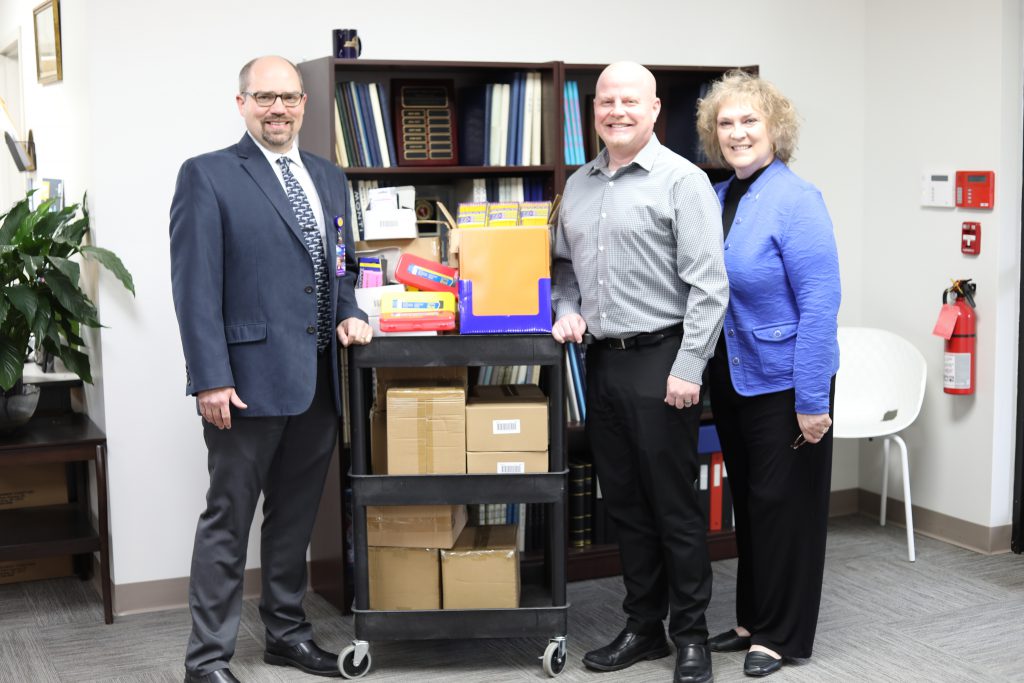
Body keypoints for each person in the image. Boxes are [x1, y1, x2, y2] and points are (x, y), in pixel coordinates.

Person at [169, 55, 372, 683]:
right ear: (241, 104)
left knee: (294, 517)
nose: (277, 108)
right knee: (229, 518)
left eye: (288, 97)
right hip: (246, 383)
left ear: (305, 103)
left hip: (318, 380)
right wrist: (210, 377)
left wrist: (350, 311)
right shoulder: (207, 176)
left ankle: (286, 634)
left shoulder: (329, 176)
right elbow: (194, 285)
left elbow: (341, 264)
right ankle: (207, 660)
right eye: (264, 97)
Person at [552, 61, 728, 683]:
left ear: (654, 109)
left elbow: (710, 285)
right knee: (624, 503)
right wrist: (567, 310)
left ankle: (691, 636)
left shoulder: (684, 181)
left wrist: (689, 368)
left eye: (630, 101)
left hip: (664, 360)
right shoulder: (577, 184)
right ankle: (643, 626)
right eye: (606, 102)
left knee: (674, 507)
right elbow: (563, 271)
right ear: (592, 110)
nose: (617, 111)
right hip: (601, 362)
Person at [695, 71, 840, 678]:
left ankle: (782, 636)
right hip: (736, 378)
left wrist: (812, 400)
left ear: (775, 128)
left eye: (749, 121)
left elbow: (820, 303)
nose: (737, 133)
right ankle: (753, 618)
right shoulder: (723, 194)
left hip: (789, 383)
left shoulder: (796, 198)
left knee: (787, 509)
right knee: (754, 508)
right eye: (725, 124)